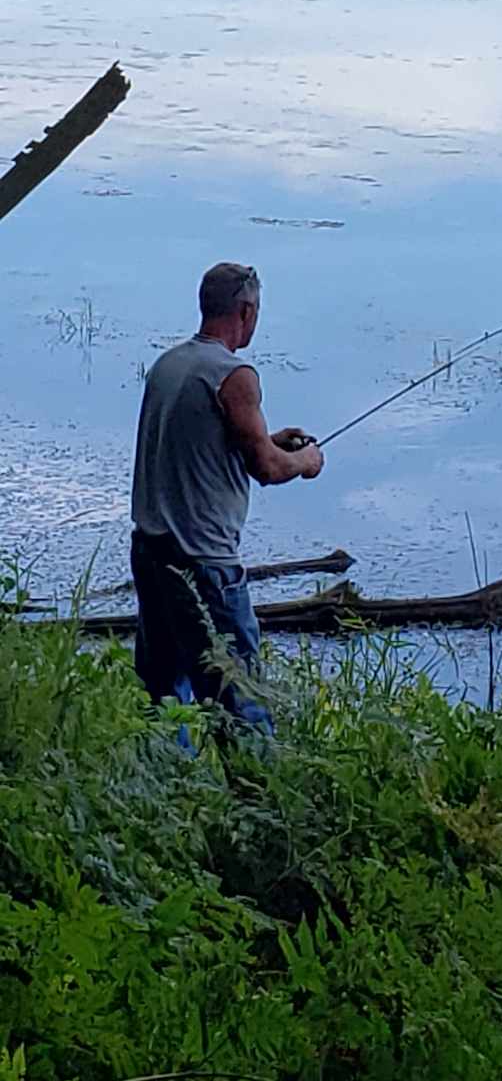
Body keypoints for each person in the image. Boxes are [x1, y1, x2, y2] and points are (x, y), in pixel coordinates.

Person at [130, 262, 323, 733]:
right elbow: (268, 468)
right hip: (204, 563)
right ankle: (254, 794)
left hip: (151, 551)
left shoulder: (169, 364)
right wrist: (306, 461)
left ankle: (166, 784)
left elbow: (199, 442)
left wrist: (269, 437)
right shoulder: (234, 374)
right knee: (239, 696)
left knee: (162, 692)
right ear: (246, 310)